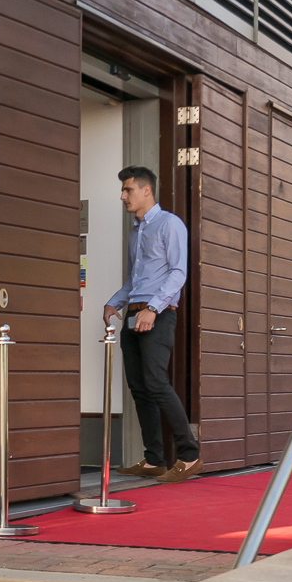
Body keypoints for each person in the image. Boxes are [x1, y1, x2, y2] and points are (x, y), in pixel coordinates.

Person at [103, 165, 201, 482]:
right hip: (133, 312)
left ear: (147, 190)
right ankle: (154, 459)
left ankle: (189, 455)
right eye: (123, 190)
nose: (123, 196)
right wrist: (113, 302)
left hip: (156, 315)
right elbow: (135, 279)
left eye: (128, 189)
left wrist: (154, 309)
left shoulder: (169, 224)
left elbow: (178, 273)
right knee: (140, 388)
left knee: (156, 383)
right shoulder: (136, 231)